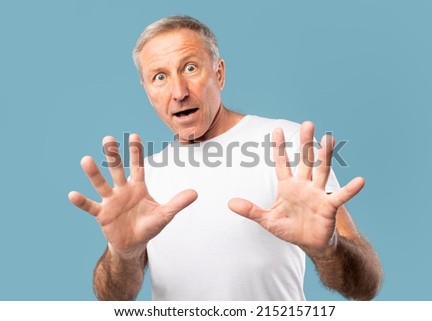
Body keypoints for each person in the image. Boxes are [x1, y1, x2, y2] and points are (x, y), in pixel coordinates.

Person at [68, 15, 383, 301]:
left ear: (219, 73)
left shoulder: (287, 142)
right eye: (159, 77)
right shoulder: (145, 177)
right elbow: (113, 298)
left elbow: (364, 286)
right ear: (147, 90)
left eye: (190, 68)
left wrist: (328, 250)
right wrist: (122, 255)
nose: (178, 92)